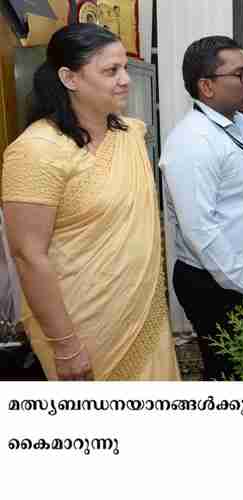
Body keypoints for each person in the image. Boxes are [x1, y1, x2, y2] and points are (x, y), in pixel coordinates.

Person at [1, 23, 180, 381]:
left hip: (144, 314)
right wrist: (65, 345)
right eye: (111, 70)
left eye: (125, 69)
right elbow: (28, 254)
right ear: (69, 78)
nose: (125, 79)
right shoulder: (36, 151)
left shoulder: (131, 135)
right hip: (80, 328)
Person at [160, 36, 243, 380]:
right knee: (232, 374)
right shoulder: (191, 142)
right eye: (240, 74)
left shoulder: (242, 123)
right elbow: (201, 231)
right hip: (219, 284)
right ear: (207, 86)